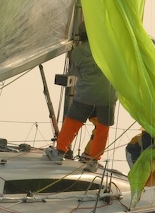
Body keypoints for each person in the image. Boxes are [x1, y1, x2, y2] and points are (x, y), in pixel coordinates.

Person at [45, 22, 118, 169]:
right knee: (103, 128)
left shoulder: (77, 53)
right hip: (108, 95)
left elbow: (74, 74)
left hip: (86, 94)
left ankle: (59, 152)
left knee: (73, 121)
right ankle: (93, 161)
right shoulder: (110, 48)